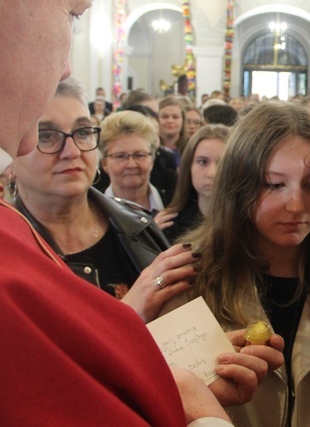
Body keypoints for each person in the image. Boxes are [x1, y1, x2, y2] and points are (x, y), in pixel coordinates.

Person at [0, 0, 283, 423]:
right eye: (70, 14)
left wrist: (178, 376)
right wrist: (196, 410)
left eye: (81, 131)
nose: (67, 59)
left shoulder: (135, 228)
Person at [161, 101, 310, 426]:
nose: (296, 205)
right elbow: (167, 402)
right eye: (274, 184)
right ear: (240, 186)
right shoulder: (189, 274)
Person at [9, 77, 196, 321]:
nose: (73, 151)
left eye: (83, 132)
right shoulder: (9, 250)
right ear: (9, 153)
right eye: (46, 136)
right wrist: (125, 317)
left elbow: (180, 333)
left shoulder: (138, 226)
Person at [156, 124, 230, 244]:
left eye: (222, 163)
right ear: (188, 166)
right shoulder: (169, 225)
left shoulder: (252, 223)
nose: (212, 173)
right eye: (202, 162)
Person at [100, 111, 167, 214]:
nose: (131, 164)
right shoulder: (91, 212)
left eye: (139, 155)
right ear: (104, 164)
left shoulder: (174, 206)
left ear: (152, 160)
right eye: (121, 156)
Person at [158, 96, 189, 165]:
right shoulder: (148, 148)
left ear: (182, 120)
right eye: (165, 117)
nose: (170, 121)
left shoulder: (191, 148)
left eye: (175, 117)